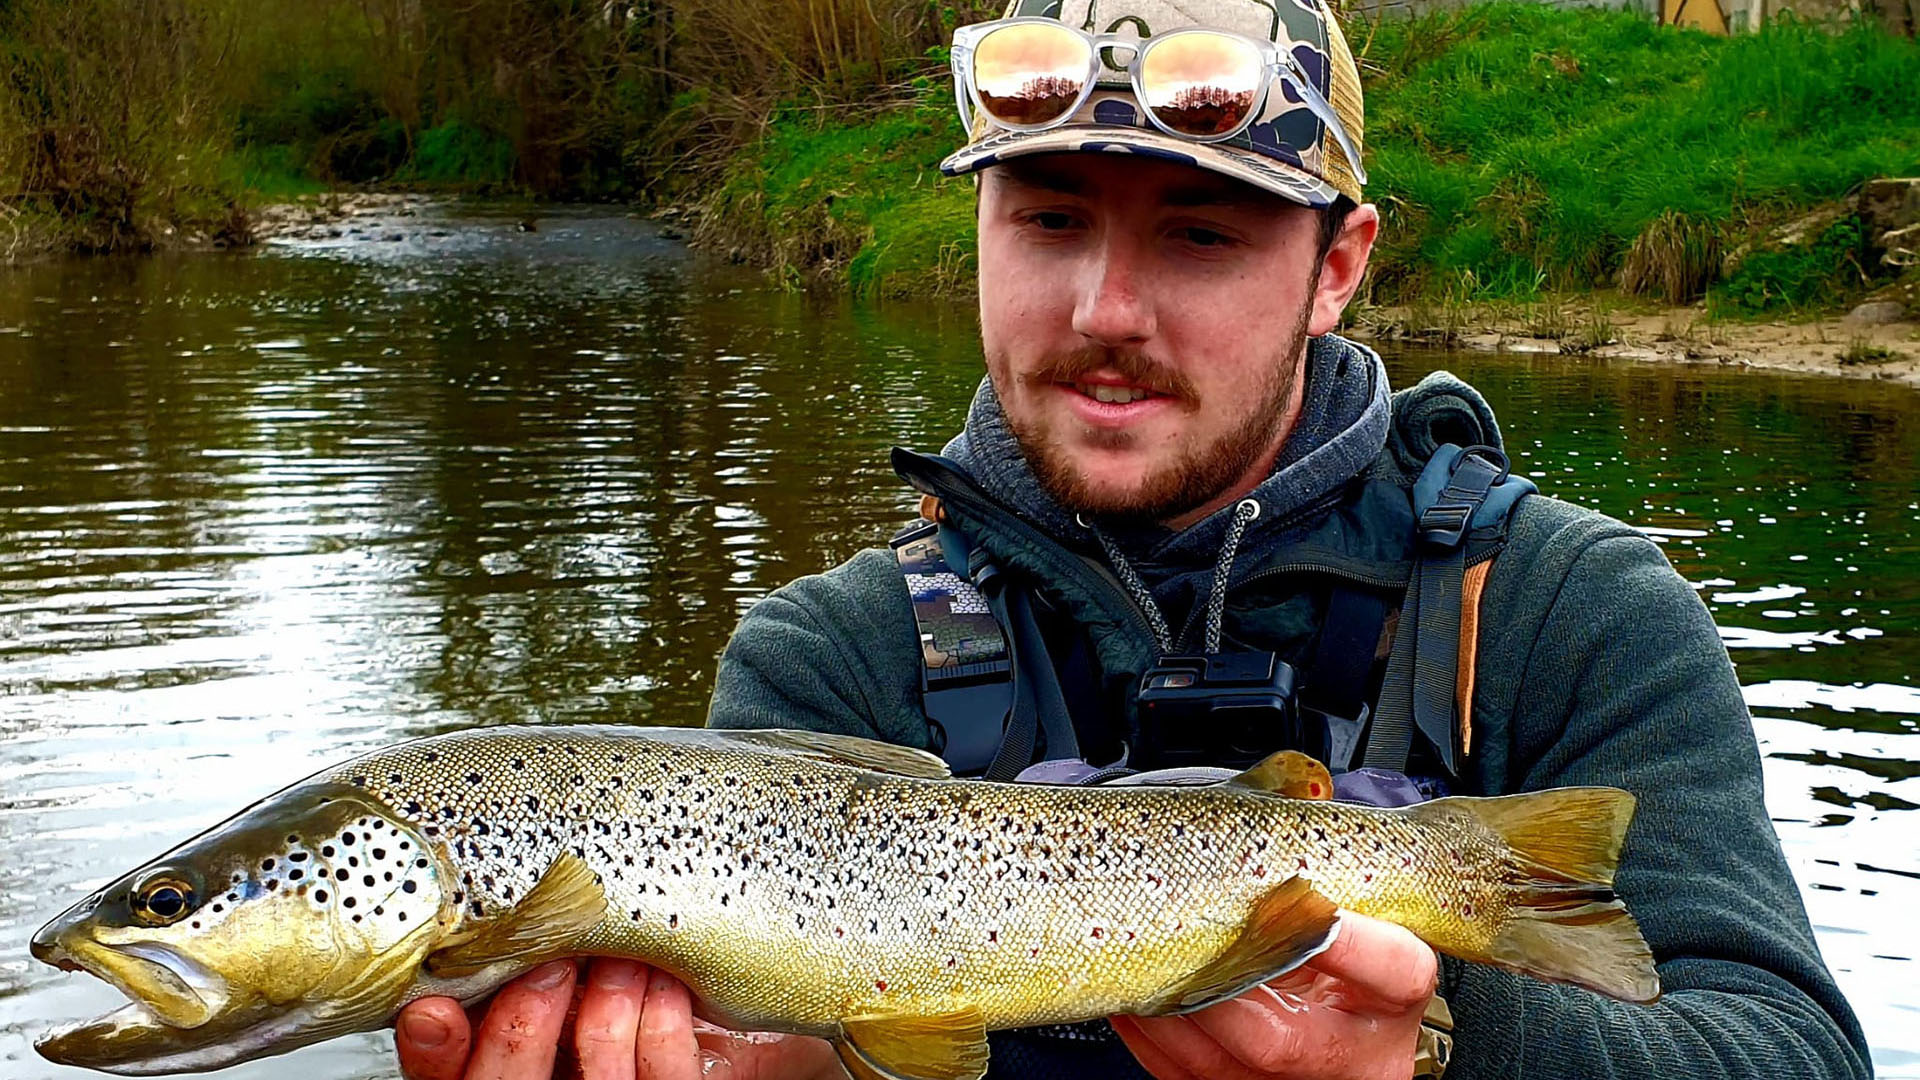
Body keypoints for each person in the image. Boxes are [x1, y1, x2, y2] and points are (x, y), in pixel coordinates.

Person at [393, 0, 1872, 1077]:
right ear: (978, 230)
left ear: (1337, 265)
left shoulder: (1562, 609)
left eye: (1201, 235)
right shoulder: (830, 659)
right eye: (1048, 222)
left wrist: (1431, 1046)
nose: (1106, 309)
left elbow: (1789, 1052)